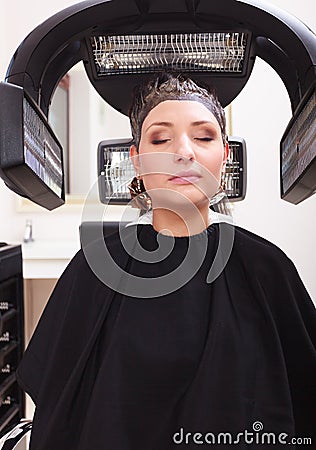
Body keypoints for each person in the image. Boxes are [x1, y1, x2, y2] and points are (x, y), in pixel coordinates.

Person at [16, 72, 316, 450]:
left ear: (225, 155)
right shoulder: (93, 268)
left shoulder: (268, 270)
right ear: (137, 160)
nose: (184, 152)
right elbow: (57, 412)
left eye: (204, 137)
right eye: (161, 138)